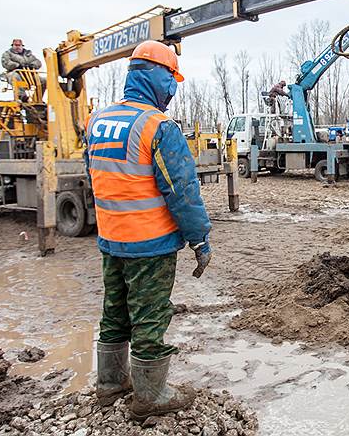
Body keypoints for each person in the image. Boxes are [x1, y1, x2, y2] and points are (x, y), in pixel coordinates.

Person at [84, 40, 212, 420]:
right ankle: (150, 396)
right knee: (150, 317)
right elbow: (182, 190)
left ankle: (109, 386)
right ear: (159, 77)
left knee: (114, 312)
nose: (173, 90)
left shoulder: (98, 121)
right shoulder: (158, 126)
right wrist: (199, 238)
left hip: (112, 240)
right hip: (150, 244)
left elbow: (95, 176)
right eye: (173, 79)